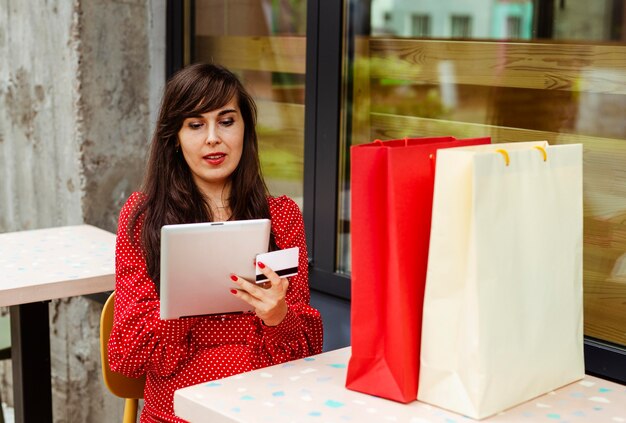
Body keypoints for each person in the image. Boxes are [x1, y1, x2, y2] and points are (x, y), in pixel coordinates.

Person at [108, 63, 324, 422]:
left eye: (226, 121)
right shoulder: (144, 217)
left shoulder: (282, 217)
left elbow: (307, 348)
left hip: (267, 409)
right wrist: (180, 305)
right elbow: (128, 356)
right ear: (174, 138)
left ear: (245, 130)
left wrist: (278, 316)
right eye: (195, 125)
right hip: (176, 414)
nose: (213, 138)